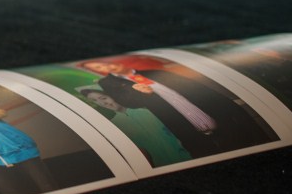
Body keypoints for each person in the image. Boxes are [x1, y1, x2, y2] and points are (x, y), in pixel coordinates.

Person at [80, 60, 273, 157]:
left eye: (102, 63)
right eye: (98, 68)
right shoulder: (110, 84)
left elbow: (202, 91)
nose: (103, 67)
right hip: (187, 131)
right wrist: (143, 94)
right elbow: (129, 102)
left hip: (224, 122)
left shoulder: (154, 72)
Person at [78, 87, 191, 168]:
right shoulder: (114, 125)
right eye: (96, 101)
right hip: (157, 167)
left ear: (112, 95)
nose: (103, 103)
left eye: (103, 98)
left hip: (184, 158)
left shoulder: (146, 111)